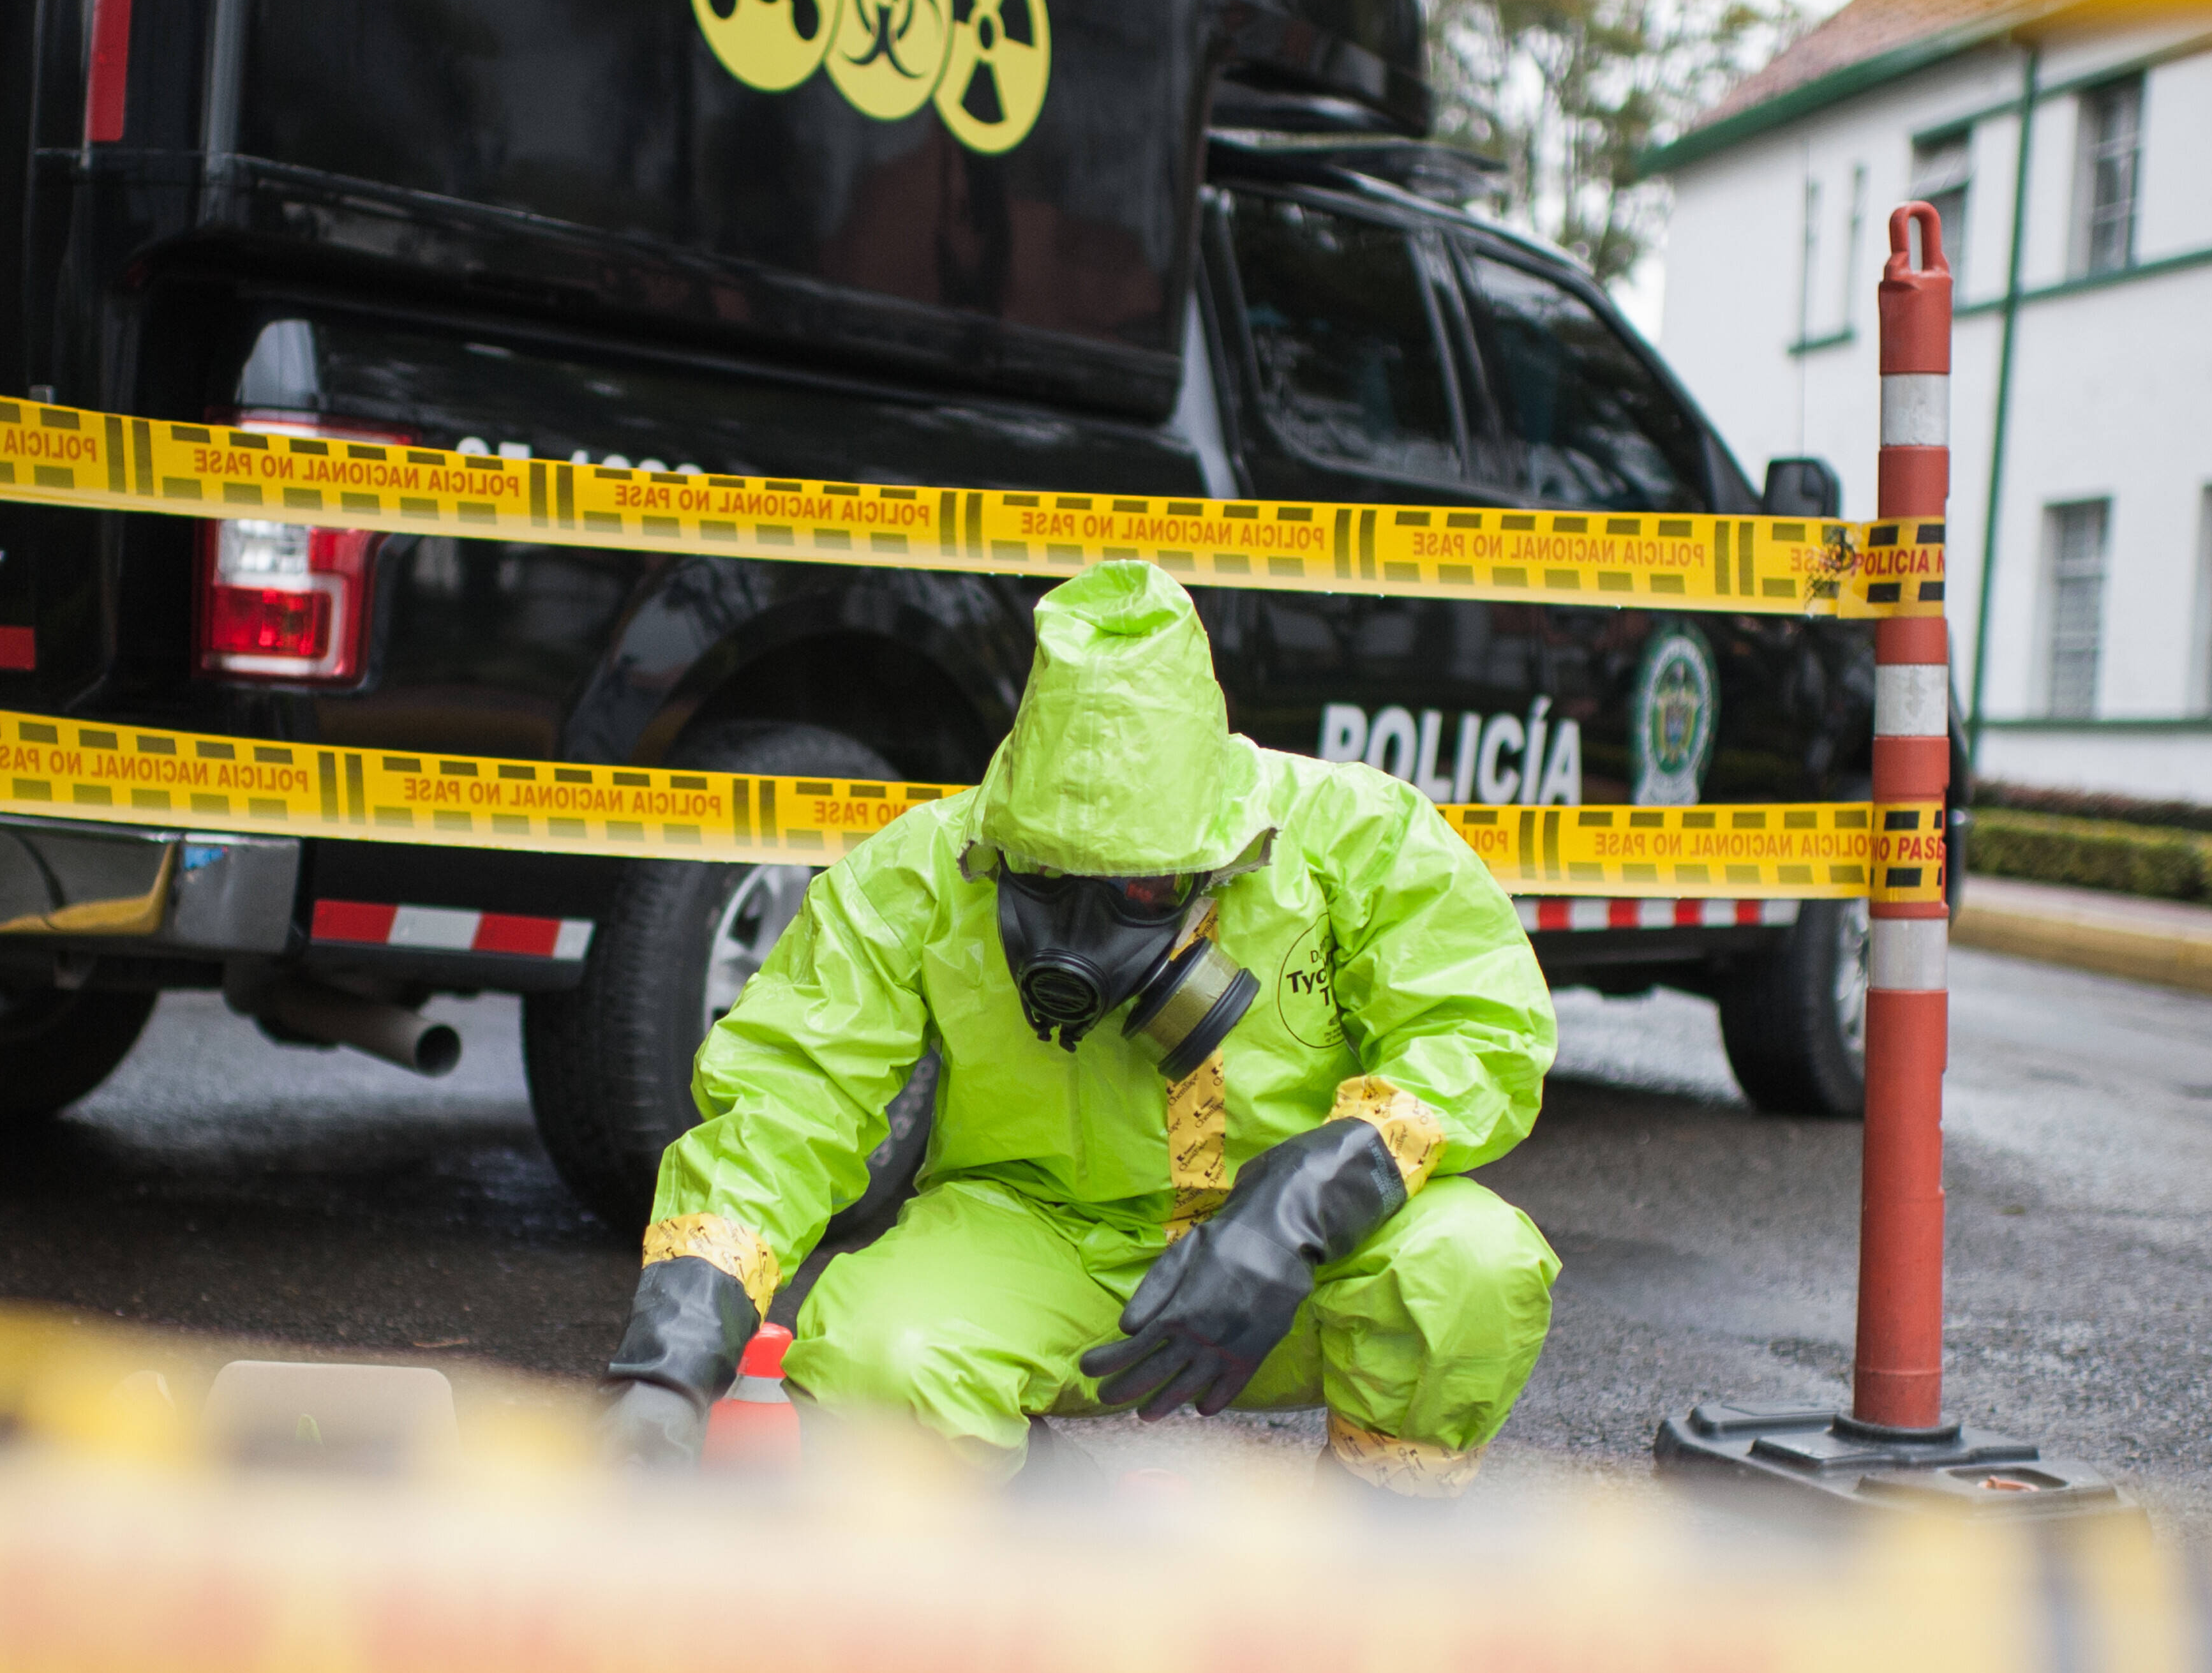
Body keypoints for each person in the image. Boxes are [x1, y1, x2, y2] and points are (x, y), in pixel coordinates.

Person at [592, 561, 1559, 1490]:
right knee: (878, 1364)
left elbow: (1478, 1033)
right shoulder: (928, 869)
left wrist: (1305, 1201)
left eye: (1137, 890)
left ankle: (1371, 1545)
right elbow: (785, 1105)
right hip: (1039, 1238)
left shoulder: (1355, 837)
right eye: (1047, 879)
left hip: (1297, 1266)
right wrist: (672, 1360)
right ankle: (1062, 1530)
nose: (1081, 939)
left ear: (1218, 854)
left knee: (1468, 1270)